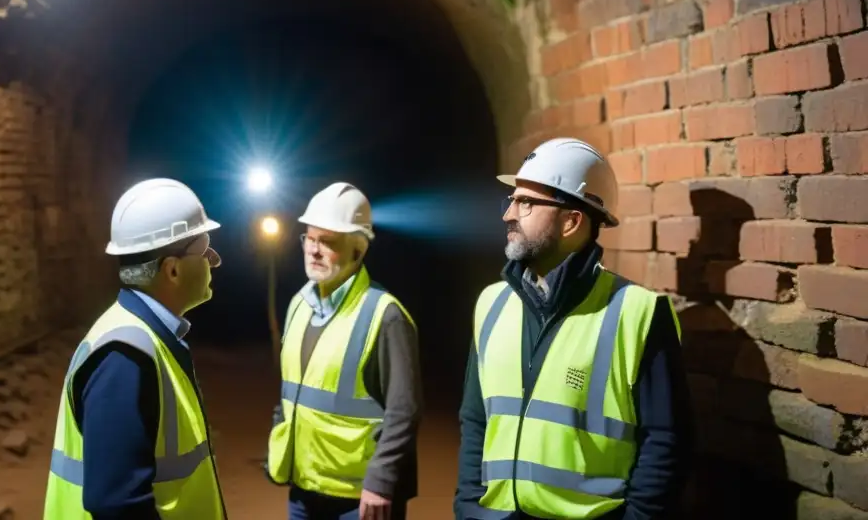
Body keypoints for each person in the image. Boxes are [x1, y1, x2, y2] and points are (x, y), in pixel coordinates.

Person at [454, 138, 692, 520]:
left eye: (526, 202)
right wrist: (469, 508)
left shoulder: (638, 313)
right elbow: (476, 419)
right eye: (512, 200)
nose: (508, 214)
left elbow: (665, 443)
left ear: (571, 221)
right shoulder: (491, 304)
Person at [43, 178, 228, 519]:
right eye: (204, 251)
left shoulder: (144, 339)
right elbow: (116, 505)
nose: (214, 261)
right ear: (172, 270)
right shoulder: (124, 357)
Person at [266, 182, 423, 520]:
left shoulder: (385, 315)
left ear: (358, 250)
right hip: (304, 488)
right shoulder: (299, 305)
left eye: (328, 242)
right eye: (310, 238)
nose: (314, 250)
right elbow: (290, 390)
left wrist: (381, 481)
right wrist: (279, 451)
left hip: (360, 499)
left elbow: (404, 410)